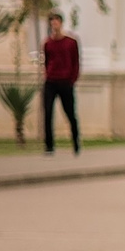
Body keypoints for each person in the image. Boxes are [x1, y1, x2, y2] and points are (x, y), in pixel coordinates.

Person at [39, 12, 80, 155]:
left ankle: (76, 141)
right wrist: (47, 74)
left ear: (61, 23)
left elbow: (76, 62)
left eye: (56, 21)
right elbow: (46, 61)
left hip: (66, 82)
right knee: (48, 112)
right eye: (52, 22)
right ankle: (49, 145)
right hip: (51, 81)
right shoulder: (48, 43)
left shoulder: (71, 42)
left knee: (70, 113)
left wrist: (72, 79)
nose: (54, 24)